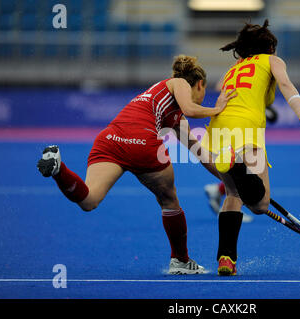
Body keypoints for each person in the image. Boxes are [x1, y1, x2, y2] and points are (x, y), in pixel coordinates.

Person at [37, 55, 237, 275]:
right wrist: (217, 109)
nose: (202, 96)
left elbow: (203, 156)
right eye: (203, 91)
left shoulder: (175, 117)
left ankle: (58, 169)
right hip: (142, 141)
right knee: (168, 198)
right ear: (199, 84)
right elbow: (190, 108)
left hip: (110, 138)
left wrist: (233, 182)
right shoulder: (178, 82)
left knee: (89, 200)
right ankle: (180, 261)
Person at [201, 19, 300, 276]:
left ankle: (226, 259)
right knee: (260, 204)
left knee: (233, 195)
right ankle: (236, 165)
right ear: (268, 47)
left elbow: (221, 88)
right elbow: (288, 87)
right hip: (246, 130)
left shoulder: (234, 68)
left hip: (218, 130)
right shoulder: (272, 61)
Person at [204, 104, 278, 223]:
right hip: (235, 122)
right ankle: (230, 206)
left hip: (231, 123)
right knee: (243, 170)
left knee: (242, 169)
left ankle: (219, 190)